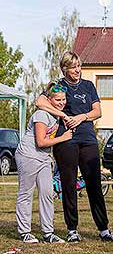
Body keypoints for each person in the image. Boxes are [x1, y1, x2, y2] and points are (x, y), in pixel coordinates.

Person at [36, 51, 113, 243]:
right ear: (64, 69)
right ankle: (72, 229)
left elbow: (97, 111)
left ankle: (104, 229)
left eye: (79, 66)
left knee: (94, 184)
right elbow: (39, 101)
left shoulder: (88, 86)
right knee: (69, 184)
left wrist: (82, 117)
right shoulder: (58, 85)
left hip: (88, 138)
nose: (77, 70)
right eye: (73, 67)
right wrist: (63, 116)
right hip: (66, 140)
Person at [16, 81, 73, 243]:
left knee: (47, 193)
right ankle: (25, 231)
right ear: (49, 100)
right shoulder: (41, 114)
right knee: (26, 193)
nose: (61, 103)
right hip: (28, 155)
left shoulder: (56, 115)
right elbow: (41, 141)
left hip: (43, 158)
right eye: (58, 100)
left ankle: (48, 232)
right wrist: (63, 138)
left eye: (63, 99)